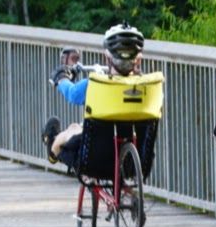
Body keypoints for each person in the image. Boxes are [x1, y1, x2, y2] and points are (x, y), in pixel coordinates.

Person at [40, 23, 145, 169]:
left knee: (70, 134)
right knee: (76, 127)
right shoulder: (148, 85)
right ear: (138, 58)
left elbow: (73, 94)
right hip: (134, 159)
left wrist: (61, 78)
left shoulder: (96, 83)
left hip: (96, 158)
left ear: (108, 56)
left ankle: (52, 147)